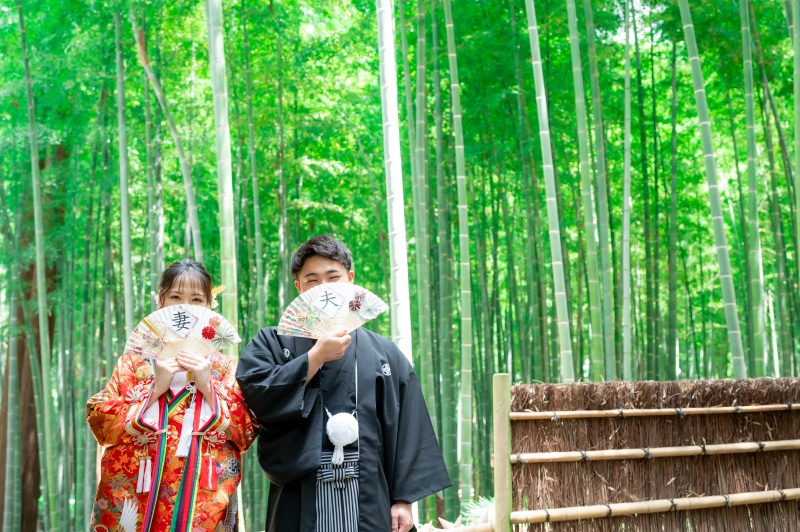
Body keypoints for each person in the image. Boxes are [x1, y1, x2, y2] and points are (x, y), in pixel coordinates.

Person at [236, 235, 451, 532]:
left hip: (369, 490)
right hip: (301, 488)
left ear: (350, 280)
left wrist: (403, 500)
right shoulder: (272, 342)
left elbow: (408, 426)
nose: (324, 288)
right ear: (298, 287)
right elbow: (256, 393)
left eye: (332, 277)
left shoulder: (384, 352)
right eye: (312, 280)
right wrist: (313, 359)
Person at [87, 259, 256, 532]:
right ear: (160, 302)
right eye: (175, 297)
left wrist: (208, 386)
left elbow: (245, 432)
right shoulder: (133, 364)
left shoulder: (223, 367)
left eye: (196, 299)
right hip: (136, 492)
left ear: (210, 306)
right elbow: (101, 425)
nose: (185, 307)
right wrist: (154, 388)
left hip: (203, 496)